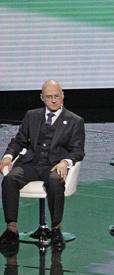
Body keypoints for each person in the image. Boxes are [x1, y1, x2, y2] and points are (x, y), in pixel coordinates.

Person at [1, 80, 85, 249]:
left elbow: (77, 151)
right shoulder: (32, 116)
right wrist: (8, 157)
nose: (53, 100)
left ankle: (55, 229)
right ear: (42, 98)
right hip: (31, 163)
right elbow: (19, 141)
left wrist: (65, 162)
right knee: (9, 179)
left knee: (55, 181)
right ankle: (11, 229)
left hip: (54, 165)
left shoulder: (75, 121)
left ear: (62, 96)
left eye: (56, 96)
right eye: (49, 97)